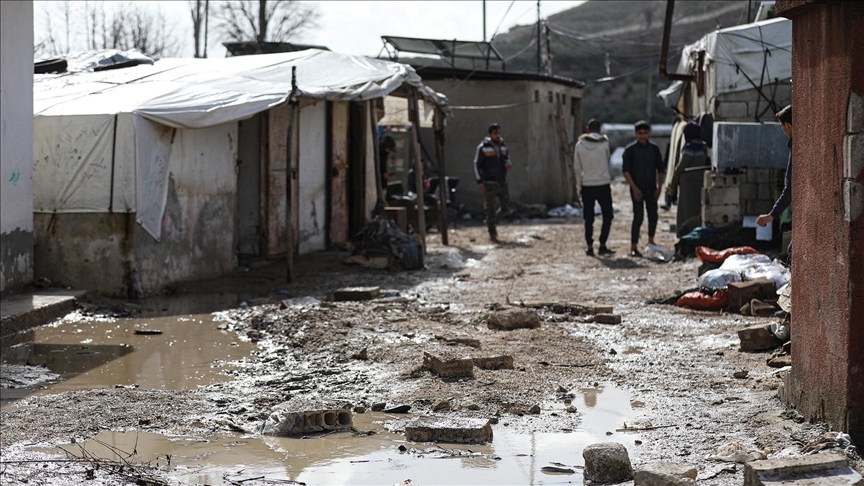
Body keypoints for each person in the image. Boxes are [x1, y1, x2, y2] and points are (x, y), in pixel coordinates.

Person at [622, 120, 666, 257]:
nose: (642, 136)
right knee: (638, 216)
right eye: (640, 133)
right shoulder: (630, 150)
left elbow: (660, 169)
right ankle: (634, 246)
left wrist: (659, 188)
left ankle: (651, 242)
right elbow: (626, 171)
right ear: (635, 134)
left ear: (649, 133)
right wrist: (634, 188)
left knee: (653, 215)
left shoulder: (654, 149)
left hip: (651, 188)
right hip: (637, 188)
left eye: (645, 133)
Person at [574, 118, 615, 256]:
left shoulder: (579, 145)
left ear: (587, 130)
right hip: (603, 183)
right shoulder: (605, 144)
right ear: (599, 130)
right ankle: (602, 244)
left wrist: (579, 186)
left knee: (588, 218)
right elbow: (607, 160)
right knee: (607, 216)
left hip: (587, 185)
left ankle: (589, 246)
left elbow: (577, 168)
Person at [757, 105, 793, 256]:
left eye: (781, 125)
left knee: (793, 250)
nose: (781, 129)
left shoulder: (797, 147)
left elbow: (790, 188)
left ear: (788, 126)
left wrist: (771, 215)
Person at [667, 121, 710, 237]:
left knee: (686, 210)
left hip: (688, 184)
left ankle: (685, 234)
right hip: (700, 182)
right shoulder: (703, 147)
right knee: (697, 208)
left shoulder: (689, 148)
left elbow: (682, 165)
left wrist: (675, 173)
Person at [474, 123, 512, 242]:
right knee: (490, 209)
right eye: (495, 133)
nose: (497, 136)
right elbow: (476, 164)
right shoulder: (483, 147)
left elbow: (507, 158)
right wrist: (479, 181)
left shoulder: (503, 146)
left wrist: (508, 164)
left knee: (507, 207)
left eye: (499, 133)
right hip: (489, 182)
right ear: (489, 135)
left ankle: (492, 222)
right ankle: (492, 233)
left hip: (501, 181)